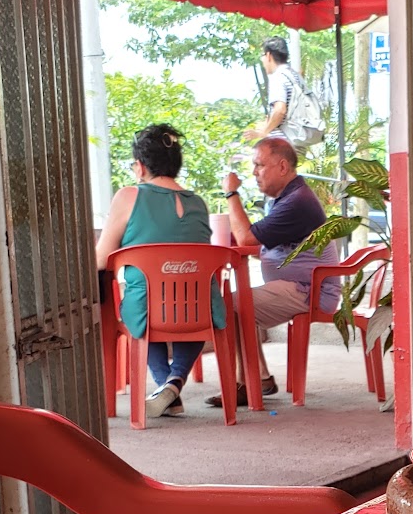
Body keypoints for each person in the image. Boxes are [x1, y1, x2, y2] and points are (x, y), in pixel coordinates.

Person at [94, 123, 216, 419]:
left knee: (145, 303)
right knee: (188, 301)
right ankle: (173, 384)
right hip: (198, 311)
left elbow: (101, 259)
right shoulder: (198, 203)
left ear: (140, 166)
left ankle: (167, 387)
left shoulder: (128, 196)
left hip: (147, 310)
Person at [208, 135, 338, 409]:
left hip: (309, 290)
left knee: (230, 304)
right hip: (297, 286)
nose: (254, 172)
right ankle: (259, 379)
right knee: (237, 303)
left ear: (282, 167)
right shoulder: (284, 198)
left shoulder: (297, 202)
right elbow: (260, 241)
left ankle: (248, 385)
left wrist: (231, 194)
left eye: (259, 165)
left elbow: (246, 238)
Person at [243, 36, 308, 152]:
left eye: (263, 55)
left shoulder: (278, 77)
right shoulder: (295, 76)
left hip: (282, 146)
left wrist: (263, 132)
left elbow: (280, 110)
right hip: (299, 143)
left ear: (268, 55)